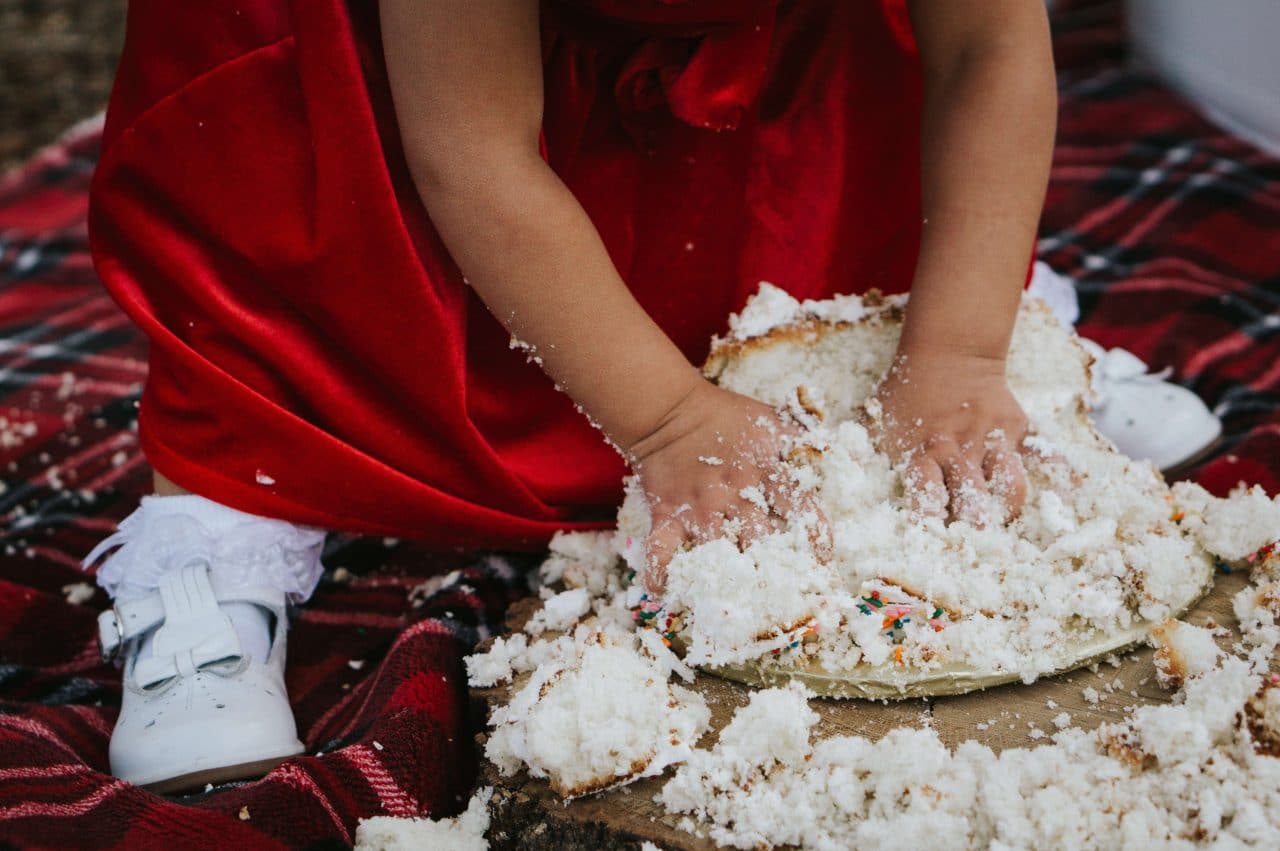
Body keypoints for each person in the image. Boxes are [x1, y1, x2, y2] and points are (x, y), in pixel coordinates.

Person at [84, 0, 1217, 792]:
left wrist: (963, 346)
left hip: (770, 76)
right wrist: (666, 418)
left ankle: (933, 332)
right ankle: (224, 514)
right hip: (392, 115)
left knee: (878, 227)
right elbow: (471, 152)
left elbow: (984, 50)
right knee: (282, 254)